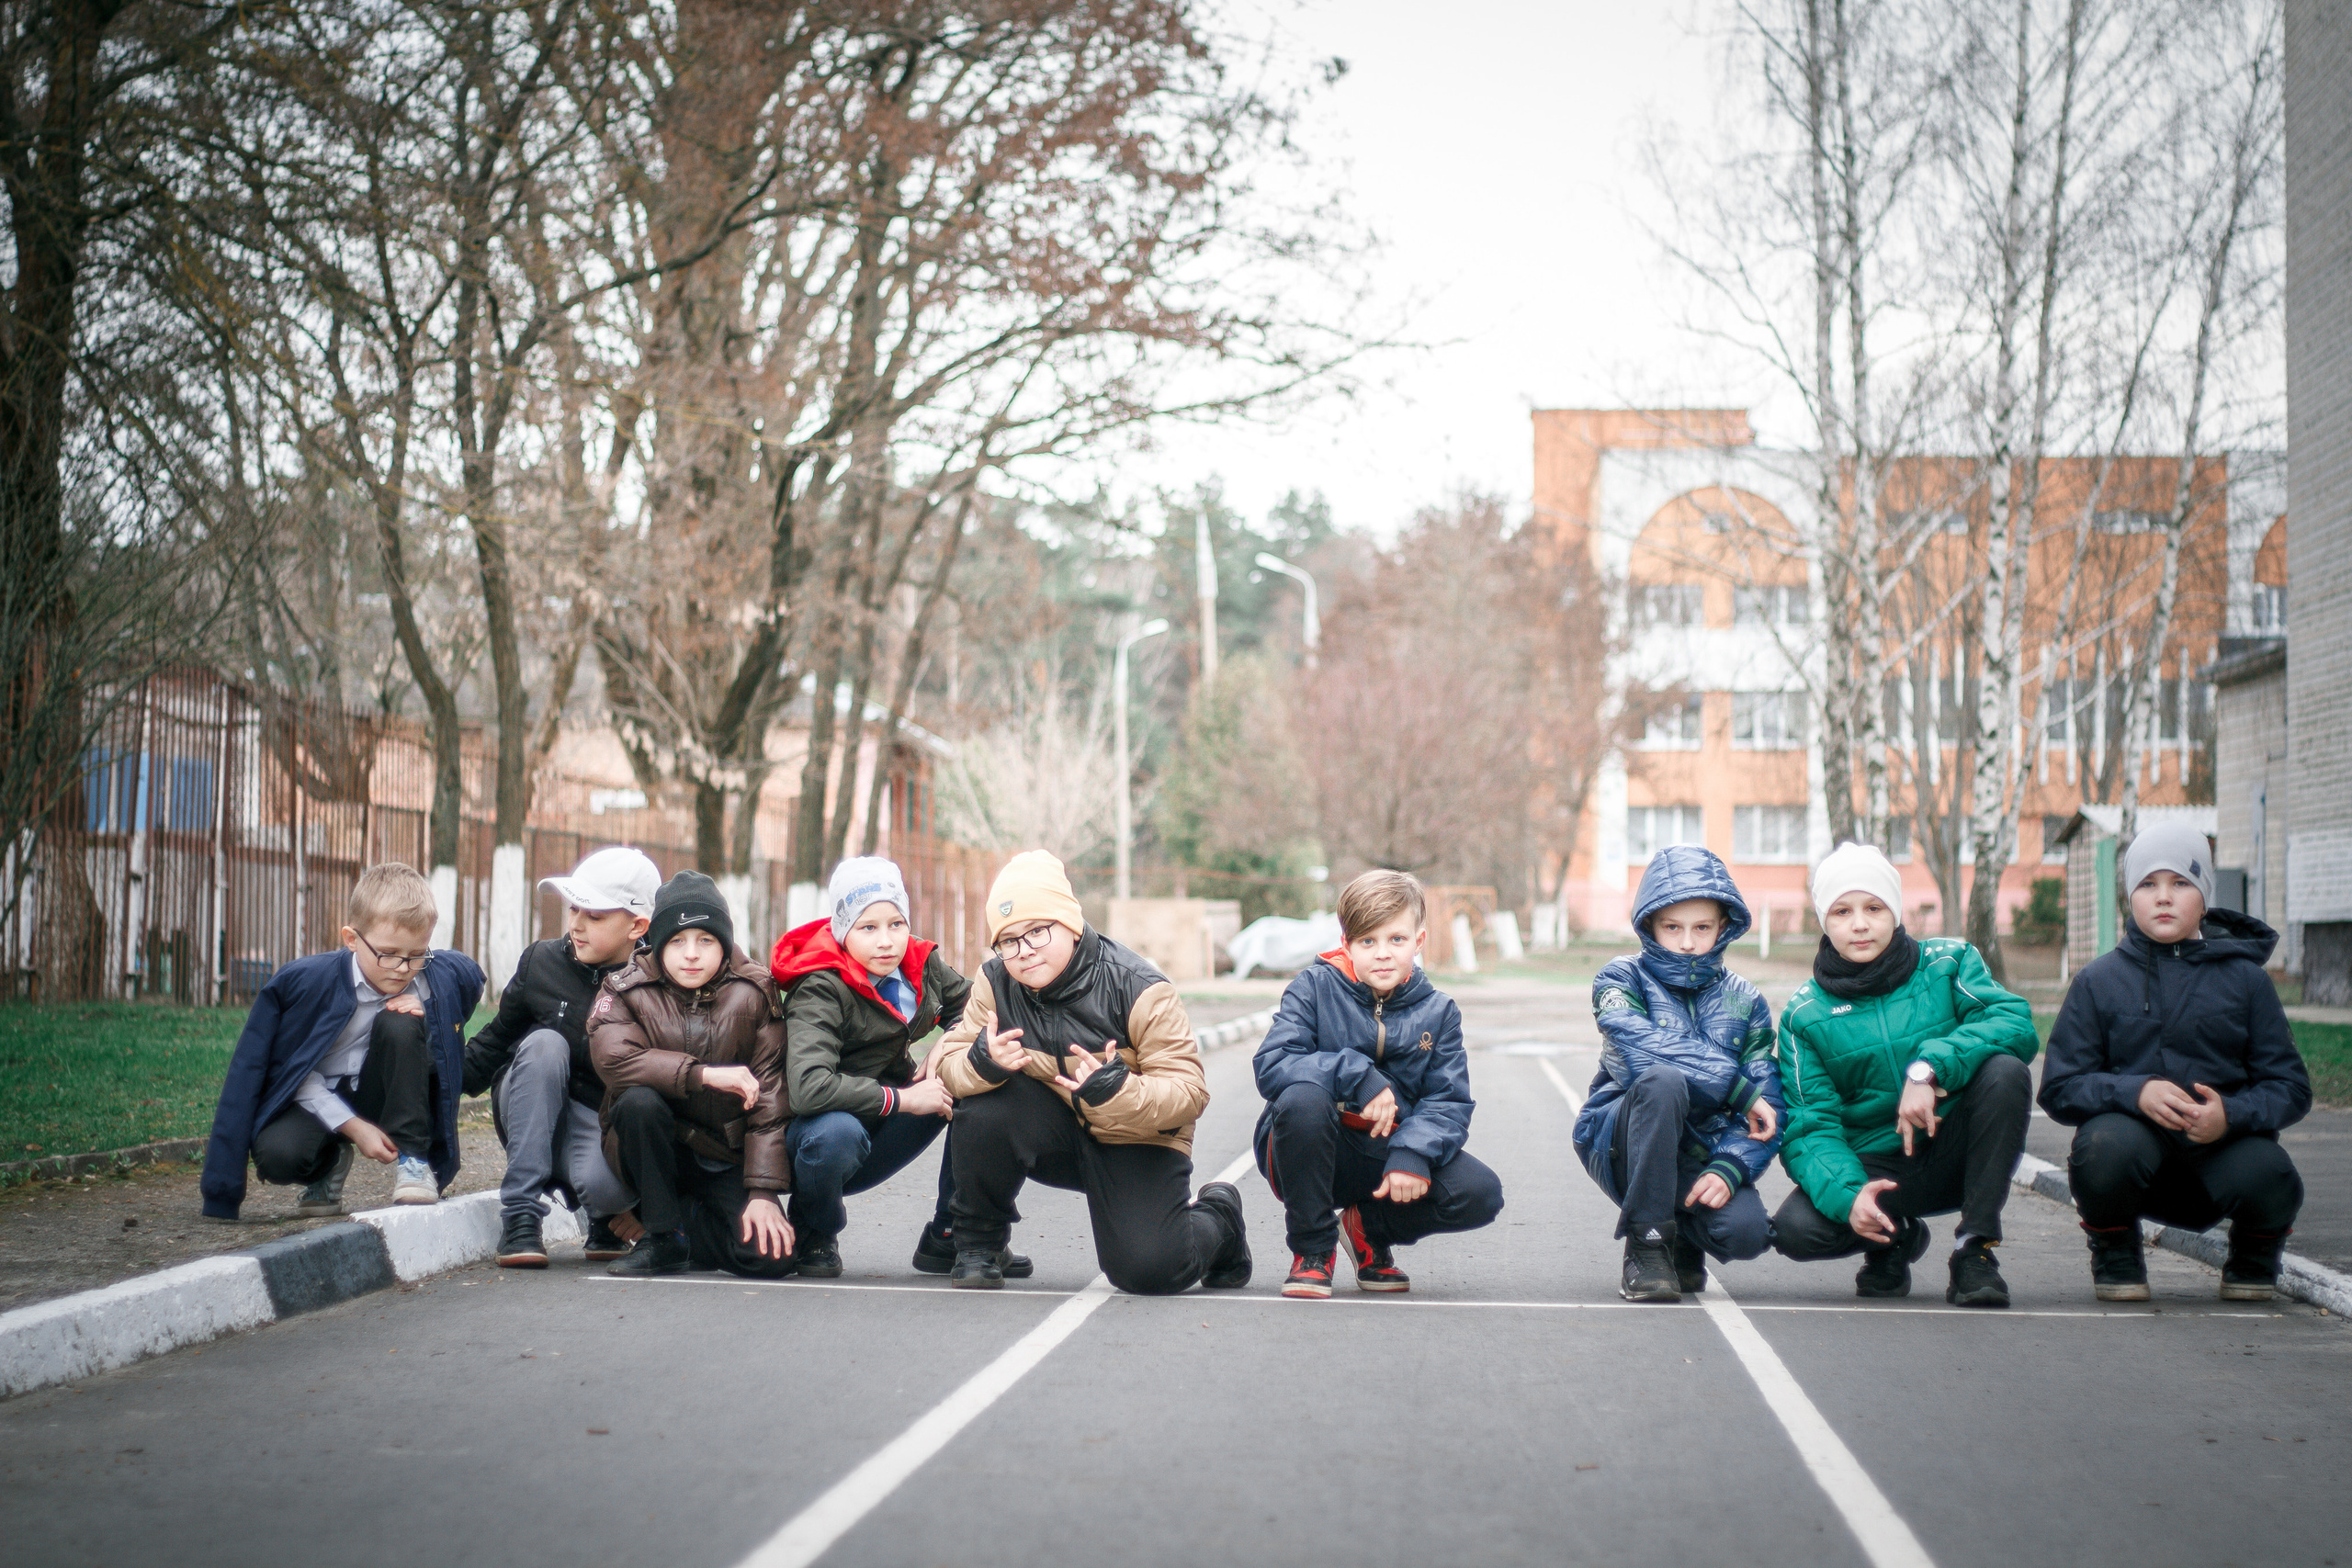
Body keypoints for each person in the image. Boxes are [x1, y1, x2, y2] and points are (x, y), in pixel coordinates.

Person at [927, 850, 1251, 1294]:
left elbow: (1189, 1091)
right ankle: (979, 1245)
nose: (1023, 952)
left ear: (1071, 923)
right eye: (1008, 940)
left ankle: (1220, 1217)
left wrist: (1117, 1089)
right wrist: (982, 1062)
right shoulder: (995, 982)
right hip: (1054, 1134)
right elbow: (950, 1065)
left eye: (1038, 932)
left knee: (1150, 1271)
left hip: (1134, 1135)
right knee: (985, 1099)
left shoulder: (1138, 986)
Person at [2041, 822, 2310, 1301]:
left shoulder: (2247, 981)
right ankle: (2117, 1256)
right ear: (2129, 897)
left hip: (2222, 1157)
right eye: (2147, 884)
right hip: (2134, 1161)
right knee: (2102, 1148)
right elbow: (2061, 1086)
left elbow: (2290, 1087)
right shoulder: (2098, 981)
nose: (2163, 897)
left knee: (2275, 1174)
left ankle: (2251, 1261)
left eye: (2181, 882)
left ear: (2205, 896)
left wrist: (2230, 1115)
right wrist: (2134, 1092)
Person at [1770, 842, 2038, 1307]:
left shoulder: (1949, 963)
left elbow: (2013, 1023)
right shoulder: (1804, 1015)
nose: (1859, 923)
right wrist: (1851, 1196)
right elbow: (1810, 1128)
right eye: (1841, 911)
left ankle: (1974, 1251)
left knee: (2006, 1072)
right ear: (1824, 921)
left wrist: (1927, 1070)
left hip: (1958, 1152)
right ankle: (1892, 1240)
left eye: (1873, 907)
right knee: (1795, 1231)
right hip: (1880, 1169)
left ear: (1894, 911)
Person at [1251, 869, 1504, 1298]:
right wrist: (1358, 1075)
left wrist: (1412, 1153)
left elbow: (1447, 1101)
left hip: (1384, 1154)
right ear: (1347, 942)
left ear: (1419, 942)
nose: (1382, 954)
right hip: (1308, 1149)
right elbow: (1274, 1063)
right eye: (1368, 941)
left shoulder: (1439, 1013)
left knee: (1479, 1193)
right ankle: (1314, 1250)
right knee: (1302, 1097)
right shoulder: (1312, 987)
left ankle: (1367, 1228)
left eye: (1396, 940)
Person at [771, 856, 1026, 1279]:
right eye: (868, 928)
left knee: (983, 1075)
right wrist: (904, 1099)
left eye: (896, 924)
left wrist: (950, 1040)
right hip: (821, 1135)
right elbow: (808, 1088)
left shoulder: (919, 963)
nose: (886, 941)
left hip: (888, 1117)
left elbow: (980, 1007)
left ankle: (953, 1234)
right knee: (837, 1133)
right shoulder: (819, 985)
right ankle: (813, 1230)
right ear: (841, 929)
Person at [201, 863, 483, 1222]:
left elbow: (470, 977)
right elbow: (273, 1069)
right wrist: (352, 1127)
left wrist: (431, 1011)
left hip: (387, 1093)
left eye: (416, 955)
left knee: (401, 1024)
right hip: (318, 1098)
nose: (402, 968)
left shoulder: (431, 976)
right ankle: (328, 1165)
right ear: (352, 939)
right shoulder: (306, 983)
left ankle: (414, 1162)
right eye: (388, 953)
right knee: (277, 1155)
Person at [1574, 846, 1781, 1303]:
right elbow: (1635, 1048)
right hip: (1621, 1136)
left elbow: (1769, 1103)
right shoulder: (1620, 979)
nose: (1688, 942)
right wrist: (1733, 1088)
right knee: (1664, 1081)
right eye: (1673, 927)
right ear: (1649, 925)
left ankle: (1683, 1238)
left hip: (1703, 1148)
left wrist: (1730, 1167)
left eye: (1702, 927)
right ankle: (1646, 1245)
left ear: (1723, 927)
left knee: (1746, 1234)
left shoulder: (1747, 1000)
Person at [588, 871, 794, 1278]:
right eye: (677, 942)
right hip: (651, 1148)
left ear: (725, 943)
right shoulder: (624, 988)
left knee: (772, 1259)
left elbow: (770, 1096)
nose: (692, 955)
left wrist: (763, 1192)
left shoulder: (755, 991)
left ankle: (678, 1226)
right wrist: (704, 1076)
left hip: (722, 1154)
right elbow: (615, 1061)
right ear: (659, 944)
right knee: (638, 1100)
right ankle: (661, 1237)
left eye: (706, 940)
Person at [463, 846, 658, 1268]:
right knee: (545, 1043)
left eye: (595, 915)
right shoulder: (542, 962)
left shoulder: (658, 983)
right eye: (573, 909)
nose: (576, 924)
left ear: (637, 925)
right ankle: (520, 1215)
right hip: (529, 1097)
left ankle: (604, 1215)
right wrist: (430, 1079)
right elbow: (493, 1043)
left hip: (595, 1116)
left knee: (610, 1191)